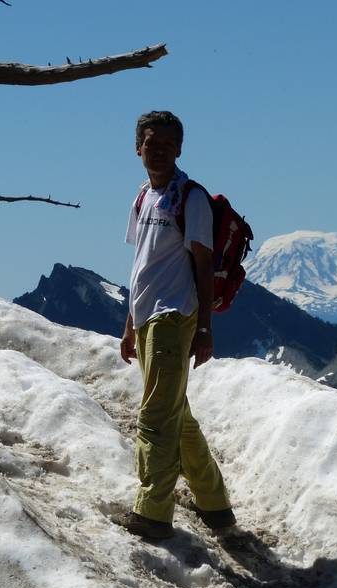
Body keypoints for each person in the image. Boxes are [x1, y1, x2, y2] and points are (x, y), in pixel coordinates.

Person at [111, 110, 236, 540]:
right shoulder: (143, 196)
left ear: (180, 148)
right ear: (138, 147)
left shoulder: (191, 198)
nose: (158, 149)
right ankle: (215, 503)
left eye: (167, 142)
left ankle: (152, 514)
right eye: (151, 141)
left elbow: (202, 265)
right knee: (176, 415)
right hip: (147, 316)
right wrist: (130, 323)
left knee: (156, 417)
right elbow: (140, 264)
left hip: (174, 314)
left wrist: (204, 328)